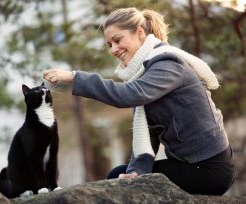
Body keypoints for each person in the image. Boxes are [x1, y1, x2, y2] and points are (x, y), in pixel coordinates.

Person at [43, 7, 235, 195]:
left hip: (210, 169)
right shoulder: (144, 74)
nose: (114, 50)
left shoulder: (168, 63)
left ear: (140, 33)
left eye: (117, 40)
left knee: (117, 178)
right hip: (189, 163)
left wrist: (75, 77)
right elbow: (148, 135)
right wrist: (137, 172)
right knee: (121, 175)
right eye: (109, 45)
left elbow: (127, 95)